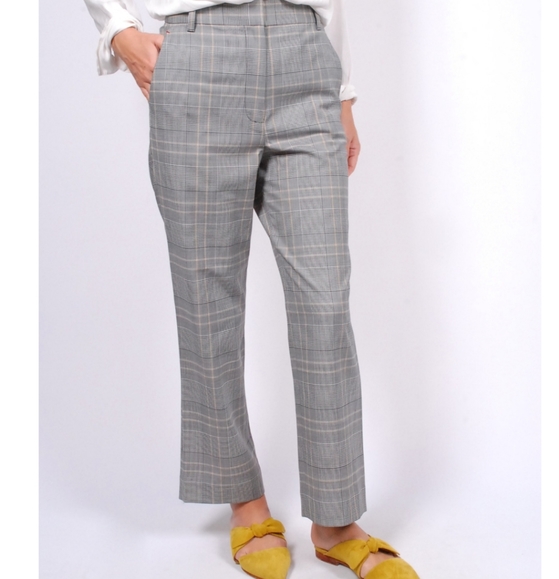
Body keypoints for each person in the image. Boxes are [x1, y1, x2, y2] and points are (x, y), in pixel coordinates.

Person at [83, 1, 420, 578]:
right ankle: (245, 504)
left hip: (305, 52)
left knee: (324, 302)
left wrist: (342, 93)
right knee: (207, 299)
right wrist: (120, 32)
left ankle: (337, 521)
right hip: (200, 52)